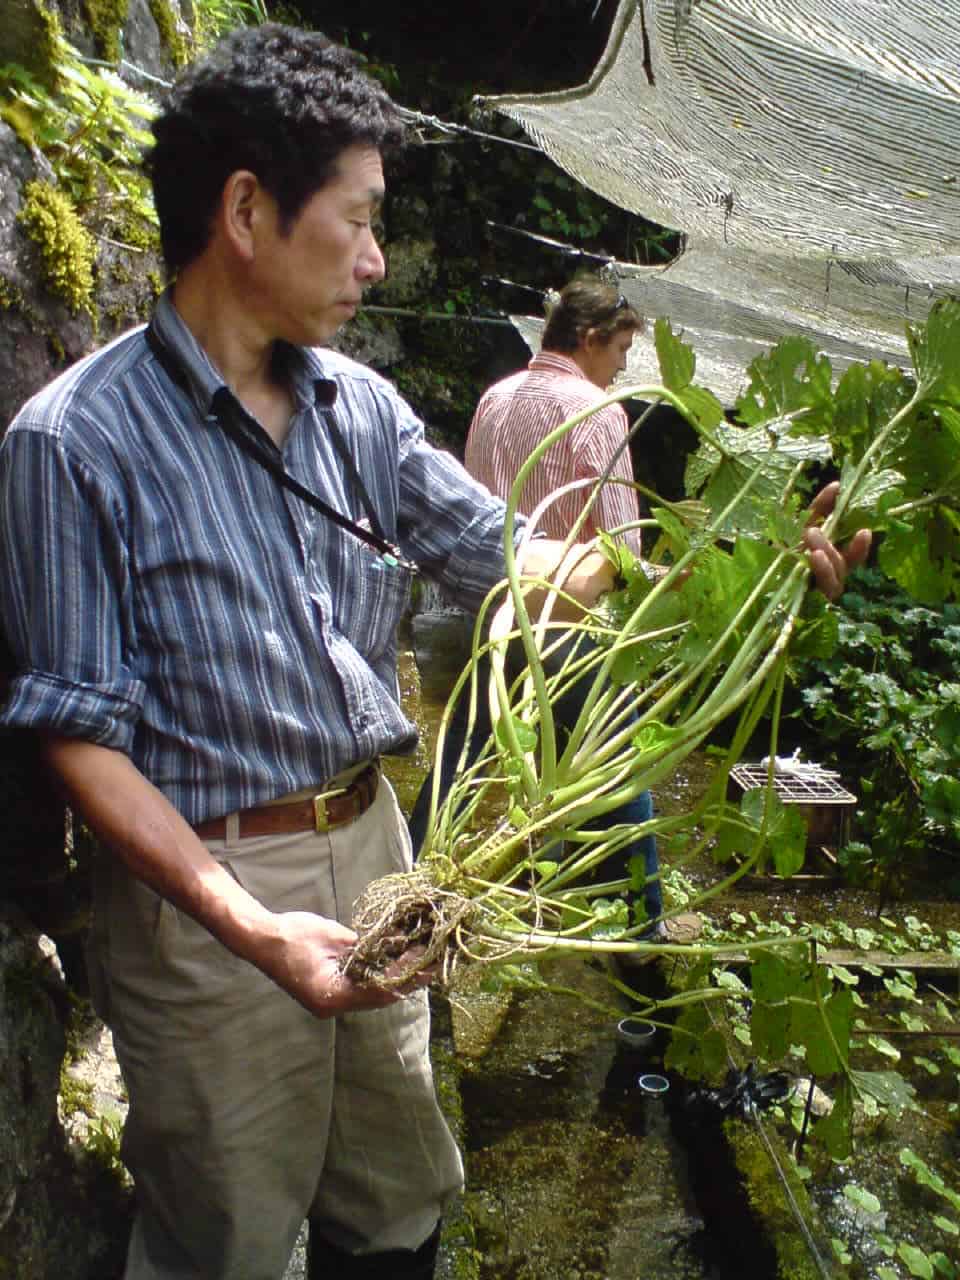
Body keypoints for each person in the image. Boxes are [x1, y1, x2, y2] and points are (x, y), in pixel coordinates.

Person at [0, 26, 869, 1280]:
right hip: (207, 896)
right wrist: (254, 928)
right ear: (246, 211)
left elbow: (530, 563)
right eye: (356, 221)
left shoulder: (359, 409)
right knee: (227, 1238)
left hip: (375, 855)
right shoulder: (72, 442)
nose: (376, 257)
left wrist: (745, 568)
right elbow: (79, 732)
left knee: (400, 1202)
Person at [410, 278, 694, 943]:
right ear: (592, 339)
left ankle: (410, 894)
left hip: (489, 612)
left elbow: (475, 521)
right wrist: (680, 575)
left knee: (461, 762)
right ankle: (644, 930)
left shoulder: (495, 398)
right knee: (616, 771)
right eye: (620, 350)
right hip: (565, 625)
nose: (622, 367)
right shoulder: (598, 408)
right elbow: (621, 552)